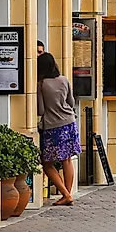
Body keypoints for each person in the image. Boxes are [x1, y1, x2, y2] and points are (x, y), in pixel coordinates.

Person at [36, 52, 78, 205]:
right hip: (69, 122)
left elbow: (40, 110)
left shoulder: (41, 84)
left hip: (52, 126)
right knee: (67, 159)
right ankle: (67, 194)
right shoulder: (64, 80)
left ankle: (66, 194)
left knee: (47, 163)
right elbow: (71, 102)